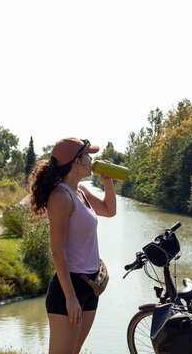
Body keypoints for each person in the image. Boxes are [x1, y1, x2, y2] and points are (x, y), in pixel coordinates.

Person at [28, 137, 116, 354]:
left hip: (90, 285)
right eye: (88, 155)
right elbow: (57, 250)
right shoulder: (61, 197)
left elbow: (109, 210)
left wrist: (108, 180)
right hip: (70, 287)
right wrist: (70, 297)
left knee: (74, 351)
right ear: (76, 162)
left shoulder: (80, 191)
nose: (92, 159)